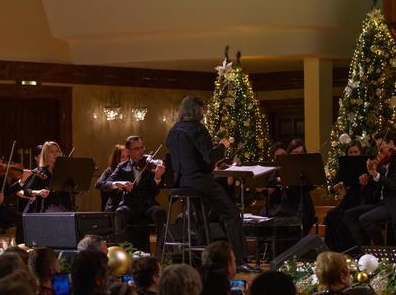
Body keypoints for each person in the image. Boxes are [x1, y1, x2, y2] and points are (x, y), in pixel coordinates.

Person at [166, 96, 251, 270]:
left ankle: (203, 260)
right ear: (197, 110)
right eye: (202, 110)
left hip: (181, 182)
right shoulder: (198, 128)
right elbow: (210, 157)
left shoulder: (173, 130)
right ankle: (239, 260)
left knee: (201, 217)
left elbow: (188, 157)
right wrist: (223, 145)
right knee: (232, 214)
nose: (204, 113)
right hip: (199, 182)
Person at [343, 131, 396, 246]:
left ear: (391, 143)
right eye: (377, 146)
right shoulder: (383, 161)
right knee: (349, 215)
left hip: (394, 206)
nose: (379, 150)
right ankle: (363, 248)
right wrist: (366, 182)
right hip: (381, 204)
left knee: (365, 219)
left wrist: (376, 175)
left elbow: (394, 185)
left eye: (381, 145)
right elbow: (377, 187)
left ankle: (381, 249)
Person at [107, 135, 167, 253]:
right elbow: (106, 183)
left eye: (142, 147)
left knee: (160, 212)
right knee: (120, 212)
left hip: (148, 205)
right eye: (136, 149)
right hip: (130, 205)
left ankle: (160, 252)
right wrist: (119, 183)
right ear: (129, 151)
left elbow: (155, 192)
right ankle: (123, 250)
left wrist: (157, 178)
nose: (141, 151)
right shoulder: (122, 167)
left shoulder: (149, 166)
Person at [324, 141, 376, 252]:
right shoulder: (345, 166)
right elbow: (332, 189)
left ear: (360, 152)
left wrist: (365, 184)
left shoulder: (367, 165)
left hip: (363, 199)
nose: (353, 154)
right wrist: (337, 186)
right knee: (331, 216)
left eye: (355, 152)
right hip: (349, 199)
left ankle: (352, 251)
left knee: (347, 217)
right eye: (350, 152)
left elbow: (373, 189)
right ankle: (333, 251)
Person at [262, 139, 317, 233]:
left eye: (301, 152)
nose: (299, 155)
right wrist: (281, 179)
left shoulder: (307, 167)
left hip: (303, 206)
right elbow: (269, 181)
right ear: (289, 154)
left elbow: (311, 186)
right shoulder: (284, 166)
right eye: (295, 153)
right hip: (287, 205)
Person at [21, 141, 72, 213]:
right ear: (45, 154)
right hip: (47, 209)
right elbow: (26, 190)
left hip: (65, 208)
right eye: (51, 152)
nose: (55, 154)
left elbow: (72, 189)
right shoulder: (39, 171)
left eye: (57, 151)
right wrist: (38, 192)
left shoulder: (63, 171)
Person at [95, 144, 129, 213]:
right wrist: (115, 185)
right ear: (116, 158)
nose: (126, 160)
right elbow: (98, 184)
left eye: (128, 157)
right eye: (122, 157)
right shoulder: (110, 170)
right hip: (112, 209)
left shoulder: (130, 171)